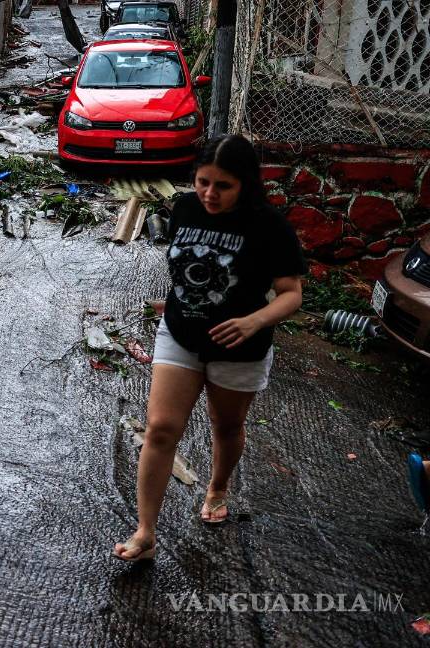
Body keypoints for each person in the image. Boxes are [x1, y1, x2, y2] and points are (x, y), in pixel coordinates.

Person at [114, 134, 307, 561]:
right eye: (203, 182)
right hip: (181, 334)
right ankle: (146, 533)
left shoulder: (268, 226)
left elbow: (291, 293)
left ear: (245, 184)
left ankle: (217, 487)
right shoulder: (183, 208)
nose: (209, 194)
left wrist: (255, 320)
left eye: (223, 186)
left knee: (226, 426)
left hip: (240, 346)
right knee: (162, 428)